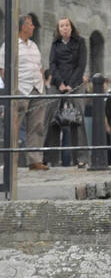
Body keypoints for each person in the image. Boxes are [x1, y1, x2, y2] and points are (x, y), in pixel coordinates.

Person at [0, 15, 48, 171]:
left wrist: (43, 86)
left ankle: (34, 160)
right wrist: (12, 89)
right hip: (20, 89)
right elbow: (3, 70)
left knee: (38, 125)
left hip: (37, 89)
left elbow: (39, 67)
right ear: (22, 27)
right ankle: (10, 160)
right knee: (14, 125)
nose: (33, 27)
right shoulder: (10, 45)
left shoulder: (34, 45)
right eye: (30, 24)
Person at [45, 17, 87, 168]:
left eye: (67, 25)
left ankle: (81, 158)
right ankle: (51, 158)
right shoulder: (55, 44)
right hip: (58, 84)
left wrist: (70, 84)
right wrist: (60, 83)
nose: (64, 28)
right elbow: (52, 64)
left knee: (78, 119)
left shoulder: (80, 42)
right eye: (61, 26)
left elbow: (81, 64)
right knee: (52, 118)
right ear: (58, 29)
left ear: (71, 27)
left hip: (75, 84)